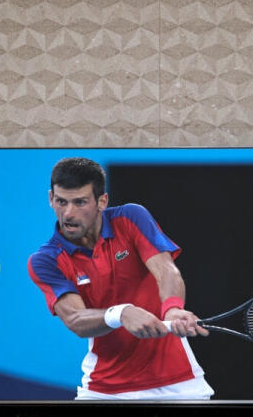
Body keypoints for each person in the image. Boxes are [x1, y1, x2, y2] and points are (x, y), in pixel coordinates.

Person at [24, 156, 214, 400]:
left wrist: (173, 308)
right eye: (61, 201)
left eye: (80, 202)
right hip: (103, 391)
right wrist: (121, 313)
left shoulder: (131, 218)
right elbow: (75, 319)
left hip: (179, 384)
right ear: (51, 198)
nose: (68, 213)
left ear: (102, 201)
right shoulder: (46, 260)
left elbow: (166, 270)